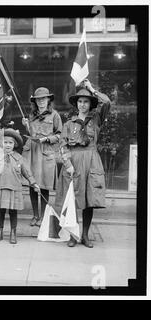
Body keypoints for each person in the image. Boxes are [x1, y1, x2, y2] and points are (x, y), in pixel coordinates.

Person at [55, 79, 111, 248]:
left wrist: (91, 89)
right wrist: (68, 164)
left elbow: (107, 102)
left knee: (89, 199)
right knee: (72, 199)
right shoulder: (68, 124)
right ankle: (74, 234)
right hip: (73, 162)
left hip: (91, 160)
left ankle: (85, 235)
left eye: (86, 101)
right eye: (80, 101)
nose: (83, 104)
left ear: (90, 104)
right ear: (76, 104)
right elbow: (62, 146)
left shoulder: (96, 120)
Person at [22, 87, 63, 227]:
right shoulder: (31, 115)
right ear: (35, 101)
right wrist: (26, 126)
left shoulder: (54, 115)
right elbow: (32, 133)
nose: (41, 101)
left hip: (45, 152)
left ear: (48, 100)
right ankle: (35, 215)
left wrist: (46, 139)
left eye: (43, 99)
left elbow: (59, 135)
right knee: (32, 184)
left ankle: (44, 216)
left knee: (44, 185)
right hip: (32, 153)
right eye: (38, 99)